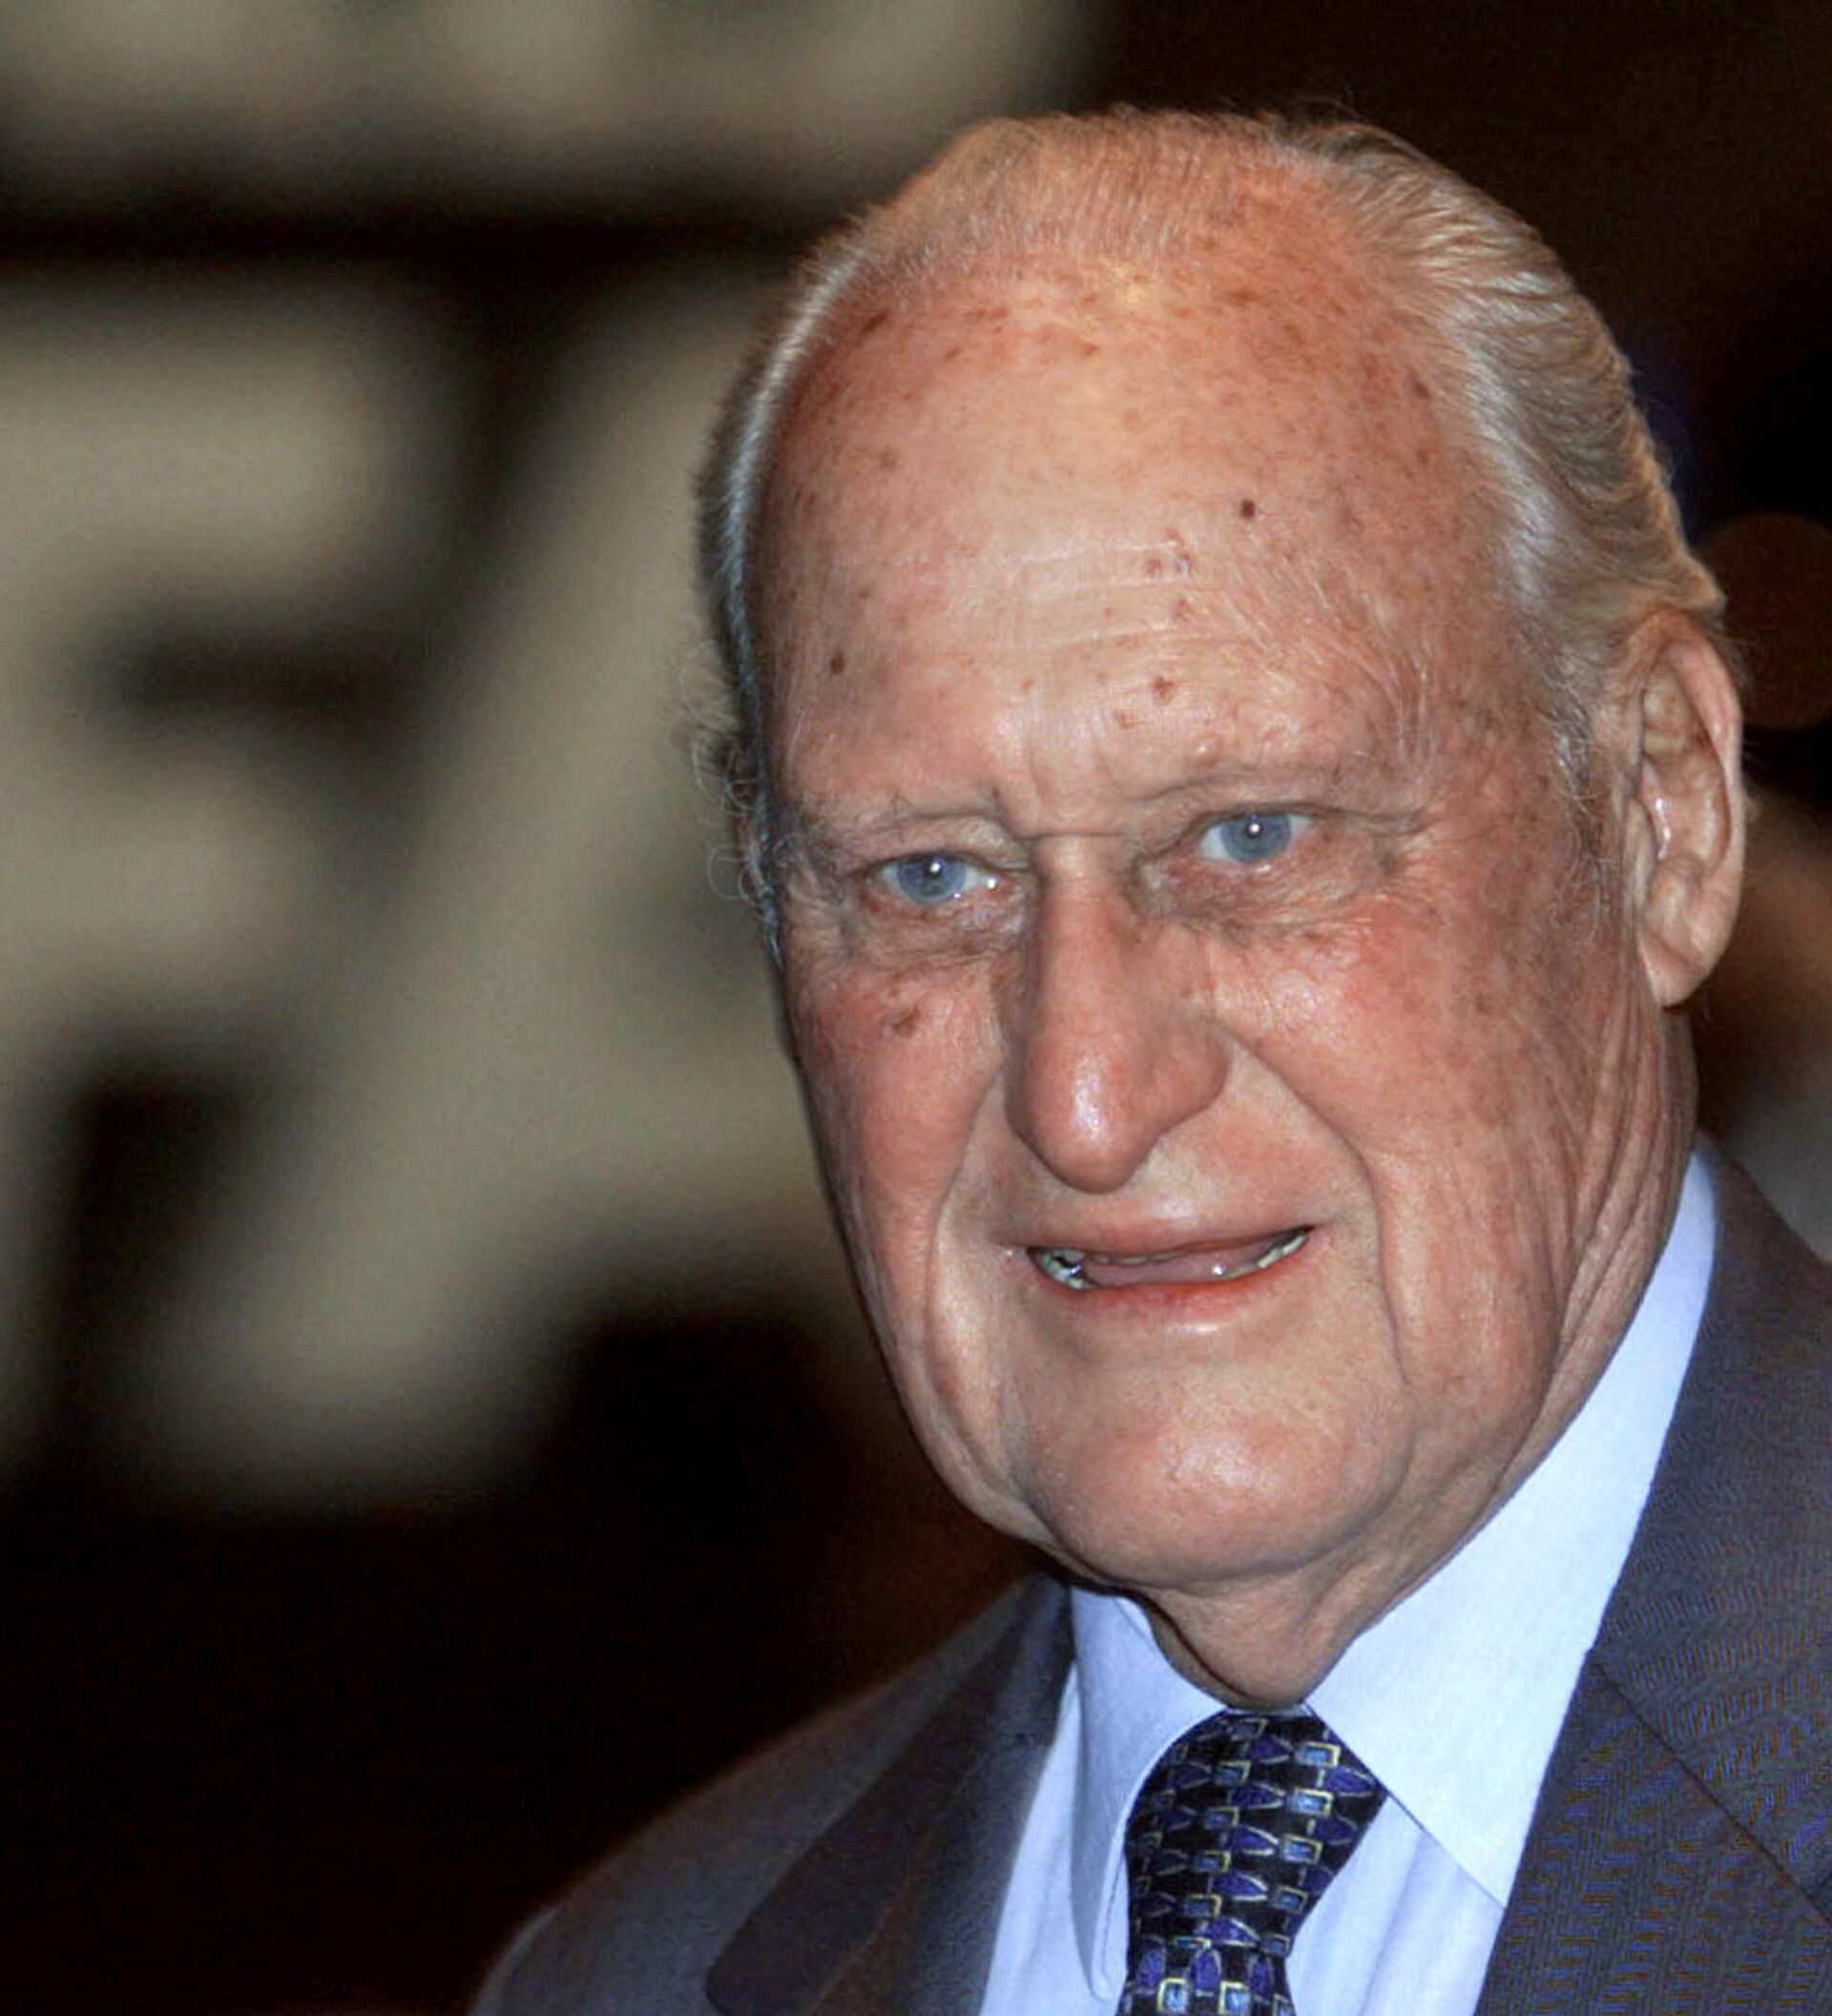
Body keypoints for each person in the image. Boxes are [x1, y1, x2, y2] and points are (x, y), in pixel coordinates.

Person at [475, 109, 1832, 2013]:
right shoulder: (632, 1977)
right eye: (929, 875)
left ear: (1661, 817)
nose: (1088, 1097)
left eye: (1250, 837)